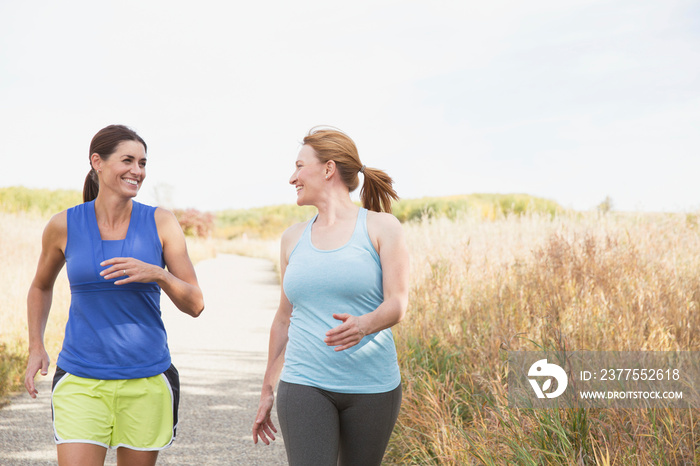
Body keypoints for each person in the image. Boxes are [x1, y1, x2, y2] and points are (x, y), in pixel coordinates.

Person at [24, 124, 205, 466]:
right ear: (98, 162)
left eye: (142, 163)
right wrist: (36, 346)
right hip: (80, 378)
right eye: (128, 161)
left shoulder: (161, 222)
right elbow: (40, 286)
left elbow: (196, 303)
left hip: (147, 380)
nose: (137, 171)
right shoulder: (63, 225)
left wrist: (158, 274)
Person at [252, 127, 409, 465]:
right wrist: (267, 386)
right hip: (304, 383)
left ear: (328, 169)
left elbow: (398, 303)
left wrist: (364, 324)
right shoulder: (292, 238)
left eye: (299, 166)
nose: (292, 177)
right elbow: (283, 317)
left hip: (373, 387)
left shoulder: (382, 228)